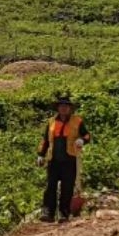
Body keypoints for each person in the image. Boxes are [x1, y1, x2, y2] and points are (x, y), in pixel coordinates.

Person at [36, 95, 90, 223]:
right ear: (58, 108)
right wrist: (40, 154)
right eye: (61, 106)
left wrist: (82, 140)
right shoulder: (51, 122)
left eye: (66, 106)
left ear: (70, 108)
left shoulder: (78, 121)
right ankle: (48, 212)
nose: (64, 108)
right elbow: (45, 140)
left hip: (69, 158)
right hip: (53, 159)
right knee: (50, 186)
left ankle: (63, 214)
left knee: (67, 187)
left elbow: (87, 135)